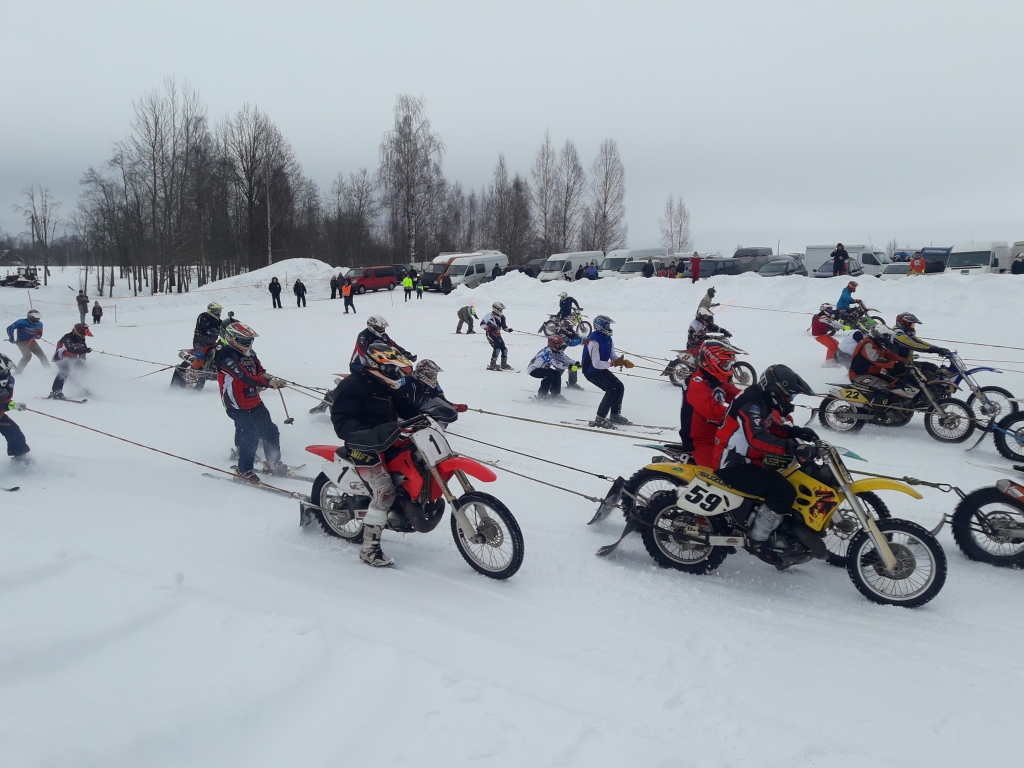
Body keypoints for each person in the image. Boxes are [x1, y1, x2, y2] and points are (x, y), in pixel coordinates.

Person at [714, 364, 818, 564]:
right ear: (774, 391)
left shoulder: (760, 400)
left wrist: (793, 432)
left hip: (749, 459)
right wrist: (793, 448)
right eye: (788, 396)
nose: (789, 401)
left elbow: (768, 426)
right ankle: (757, 541)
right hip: (733, 464)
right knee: (782, 491)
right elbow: (757, 438)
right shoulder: (751, 404)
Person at [330, 343, 420, 567]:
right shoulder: (352, 385)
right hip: (362, 443)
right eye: (393, 370)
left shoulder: (386, 385)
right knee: (385, 489)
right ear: (376, 366)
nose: (397, 375)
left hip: (387, 438)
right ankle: (369, 549)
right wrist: (366, 434)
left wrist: (430, 413)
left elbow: (408, 409)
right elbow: (341, 422)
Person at [215, 321, 287, 481]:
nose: (248, 345)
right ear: (232, 339)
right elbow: (244, 377)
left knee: (270, 430)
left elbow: (258, 371)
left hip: (253, 399)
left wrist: (267, 378)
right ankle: (244, 470)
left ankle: (273, 462)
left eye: (250, 341)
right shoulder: (225, 356)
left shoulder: (250, 354)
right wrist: (267, 383)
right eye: (244, 341)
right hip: (235, 404)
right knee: (251, 432)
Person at [679, 340, 741, 467]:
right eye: (725, 364)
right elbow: (713, 411)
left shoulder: (717, 380)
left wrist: (761, 402)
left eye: (729, 364)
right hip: (700, 441)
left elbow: (739, 396)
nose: (728, 368)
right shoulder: (695, 383)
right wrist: (744, 418)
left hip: (720, 436)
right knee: (724, 475)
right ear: (711, 361)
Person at [581, 315, 634, 428]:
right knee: (611, 389)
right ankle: (600, 417)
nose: (609, 328)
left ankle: (615, 415)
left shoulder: (608, 338)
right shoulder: (593, 341)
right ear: (600, 326)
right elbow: (596, 363)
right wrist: (613, 364)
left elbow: (612, 355)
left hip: (600, 368)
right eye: (607, 325)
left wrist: (622, 362)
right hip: (590, 371)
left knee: (619, 386)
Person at [849, 325, 908, 396]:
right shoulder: (867, 344)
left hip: (873, 374)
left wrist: (905, 361)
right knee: (883, 386)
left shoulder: (879, 345)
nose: (887, 339)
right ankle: (878, 406)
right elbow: (875, 359)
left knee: (896, 383)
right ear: (878, 335)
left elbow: (890, 355)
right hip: (858, 375)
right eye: (885, 337)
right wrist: (894, 364)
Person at [350, 315, 415, 373]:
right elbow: (362, 350)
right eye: (380, 328)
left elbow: (393, 345)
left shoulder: (384, 336)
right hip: (359, 364)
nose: (383, 330)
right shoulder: (363, 335)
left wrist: (405, 353)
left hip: (377, 363)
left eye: (383, 328)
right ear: (372, 327)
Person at [0, 354, 31, 463]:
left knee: (14, 433)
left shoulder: (7, 383)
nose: (6, 374)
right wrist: (10, 405)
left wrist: (13, 404)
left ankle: (20, 459)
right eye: (3, 371)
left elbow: (3, 401)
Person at [49, 323, 92, 400]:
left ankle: (81, 388)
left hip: (73, 358)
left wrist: (83, 357)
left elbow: (83, 350)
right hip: (61, 358)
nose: (83, 336)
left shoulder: (81, 338)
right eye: (82, 334)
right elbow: (70, 349)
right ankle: (56, 391)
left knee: (83, 370)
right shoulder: (68, 337)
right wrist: (84, 350)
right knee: (65, 371)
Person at [527, 334, 575, 402]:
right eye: (558, 345)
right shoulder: (547, 351)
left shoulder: (555, 351)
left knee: (557, 373)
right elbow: (555, 362)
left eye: (560, 345)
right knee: (549, 374)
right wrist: (568, 366)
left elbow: (564, 358)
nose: (560, 347)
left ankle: (555, 394)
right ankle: (542, 395)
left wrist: (575, 363)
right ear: (553, 344)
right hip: (534, 369)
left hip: (544, 369)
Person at [481, 302, 514, 371]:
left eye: (502, 309)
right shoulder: (489, 316)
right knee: (497, 348)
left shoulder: (502, 317)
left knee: (504, 349)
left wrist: (508, 330)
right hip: (490, 334)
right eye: (500, 309)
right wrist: (487, 327)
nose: (501, 311)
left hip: (498, 335)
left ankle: (503, 364)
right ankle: (492, 364)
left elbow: (504, 327)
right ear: (495, 309)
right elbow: (482, 324)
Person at [191, 303, 224, 370]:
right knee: (200, 359)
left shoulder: (218, 321)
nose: (218, 313)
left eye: (219, 311)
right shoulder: (204, 316)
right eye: (216, 311)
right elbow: (203, 327)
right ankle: (192, 372)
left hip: (212, 342)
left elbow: (224, 326)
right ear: (210, 310)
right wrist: (213, 331)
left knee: (221, 351)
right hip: (201, 343)